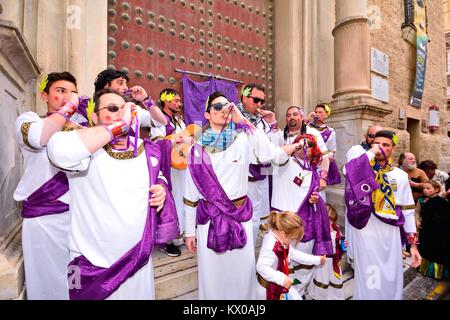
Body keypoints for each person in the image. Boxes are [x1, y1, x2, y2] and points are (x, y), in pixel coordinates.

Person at [47, 89, 179, 299]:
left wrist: (161, 188)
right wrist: (119, 126)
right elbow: (58, 151)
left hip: (138, 259)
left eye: (125, 110)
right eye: (112, 109)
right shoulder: (82, 148)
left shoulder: (146, 149)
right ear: (93, 116)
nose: (120, 114)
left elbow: (158, 175)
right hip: (91, 264)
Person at [183, 91, 301, 300]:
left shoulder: (242, 140)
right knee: (213, 276)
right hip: (209, 220)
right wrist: (189, 232)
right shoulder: (197, 149)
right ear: (207, 115)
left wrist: (243, 121)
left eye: (227, 106)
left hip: (239, 217)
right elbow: (190, 194)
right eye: (217, 107)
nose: (223, 110)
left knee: (242, 273)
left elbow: (270, 154)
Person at [13, 71, 82, 299]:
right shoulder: (30, 120)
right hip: (43, 221)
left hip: (77, 219)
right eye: (60, 91)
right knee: (47, 282)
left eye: (72, 93)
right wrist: (68, 110)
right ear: (45, 95)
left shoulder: (82, 130)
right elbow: (38, 138)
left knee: (75, 279)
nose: (67, 97)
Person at [344, 130, 421, 300]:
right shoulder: (361, 169)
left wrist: (413, 245)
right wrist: (371, 153)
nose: (381, 147)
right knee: (369, 275)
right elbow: (347, 170)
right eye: (376, 143)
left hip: (391, 233)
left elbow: (408, 211)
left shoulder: (400, 175)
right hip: (366, 229)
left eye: (386, 145)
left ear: (393, 149)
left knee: (390, 275)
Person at [271, 132, 333, 297]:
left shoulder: (313, 171)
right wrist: (296, 145)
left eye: (309, 145)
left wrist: (314, 200)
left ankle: (297, 293)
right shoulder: (284, 163)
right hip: (285, 224)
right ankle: (287, 294)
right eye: (300, 143)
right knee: (283, 265)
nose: (305, 146)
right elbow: (277, 154)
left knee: (303, 267)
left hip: (307, 225)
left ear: (315, 151)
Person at [151, 88, 194, 257]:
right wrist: (174, 139)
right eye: (175, 100)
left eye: (179, 100)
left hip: (181, 165)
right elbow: (156, 142)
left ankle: (180, 236)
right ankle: (167, 240)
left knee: (182, 198)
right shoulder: (159, 119)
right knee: (172, 200)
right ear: (165, 101)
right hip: (167, 168)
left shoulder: (179, 120)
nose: (178, 103)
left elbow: (185, 139)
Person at [236, 83, 278, 245]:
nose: (260, 105)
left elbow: (273, 147)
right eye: (256, 100)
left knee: (254, 217)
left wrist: (272, 124)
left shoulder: (262, 122)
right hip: (238, 176)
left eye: (262, 102)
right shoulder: (231, 116)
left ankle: (249, 253)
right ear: (245, 97)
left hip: (258, 174)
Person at [256, 211, 325, 300]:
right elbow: (261, 267)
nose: (292, 242)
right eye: (292, 239)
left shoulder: (281, 241)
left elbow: (295, 254)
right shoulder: (271, 246)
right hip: (268, 290)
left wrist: (316, 260)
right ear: (282, 233)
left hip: (278, 284)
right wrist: (281, 279)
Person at [345, 125, 384, 267]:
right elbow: (351, 171)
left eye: (378, 136)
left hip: (378, 202)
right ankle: (357, 264)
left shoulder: (383, 153)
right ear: (366, 137)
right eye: (371, 135)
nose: (374, 139)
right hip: (360, 201)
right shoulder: (357, 150)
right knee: (359, 234)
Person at [270, 106, 330, 195]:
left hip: (308, 182)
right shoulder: (280, 135)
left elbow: (324, 157)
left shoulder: (313, 133)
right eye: (288, 115)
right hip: (285, 184)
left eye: (295, 114)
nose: (292, 117)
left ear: (301, 117)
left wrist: (323, 179)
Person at [308, 203, 346, 300]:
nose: (330, 222)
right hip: (323, 262)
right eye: (327, 219)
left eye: (332, 219)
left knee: (334, 280)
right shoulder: (317, 232)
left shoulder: (337, 231)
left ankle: (334, 297)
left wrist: (343, 245)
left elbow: (340, 247)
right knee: (322, 281)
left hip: (334, 262)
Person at [417, 180, 450, 280]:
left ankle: (437, 272)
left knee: (436, 252)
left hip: (438, 233)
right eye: (424, 188)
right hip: (426, 231)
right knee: (426, 250)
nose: (425, 190)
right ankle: (426, 269)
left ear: (436, 190)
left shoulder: (442, 202)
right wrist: (417, 220)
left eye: (428, 188)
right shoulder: (422, 200)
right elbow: (419, 213)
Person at [308, 104, 341, 185]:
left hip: (321, 162)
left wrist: (325, 161)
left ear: (326, 115)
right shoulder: (307, 127)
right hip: (307, 160)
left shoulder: (330, 132)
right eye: (316, 112)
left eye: (320, 112)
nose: (318, 114)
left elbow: (331, 150)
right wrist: (308, 119)